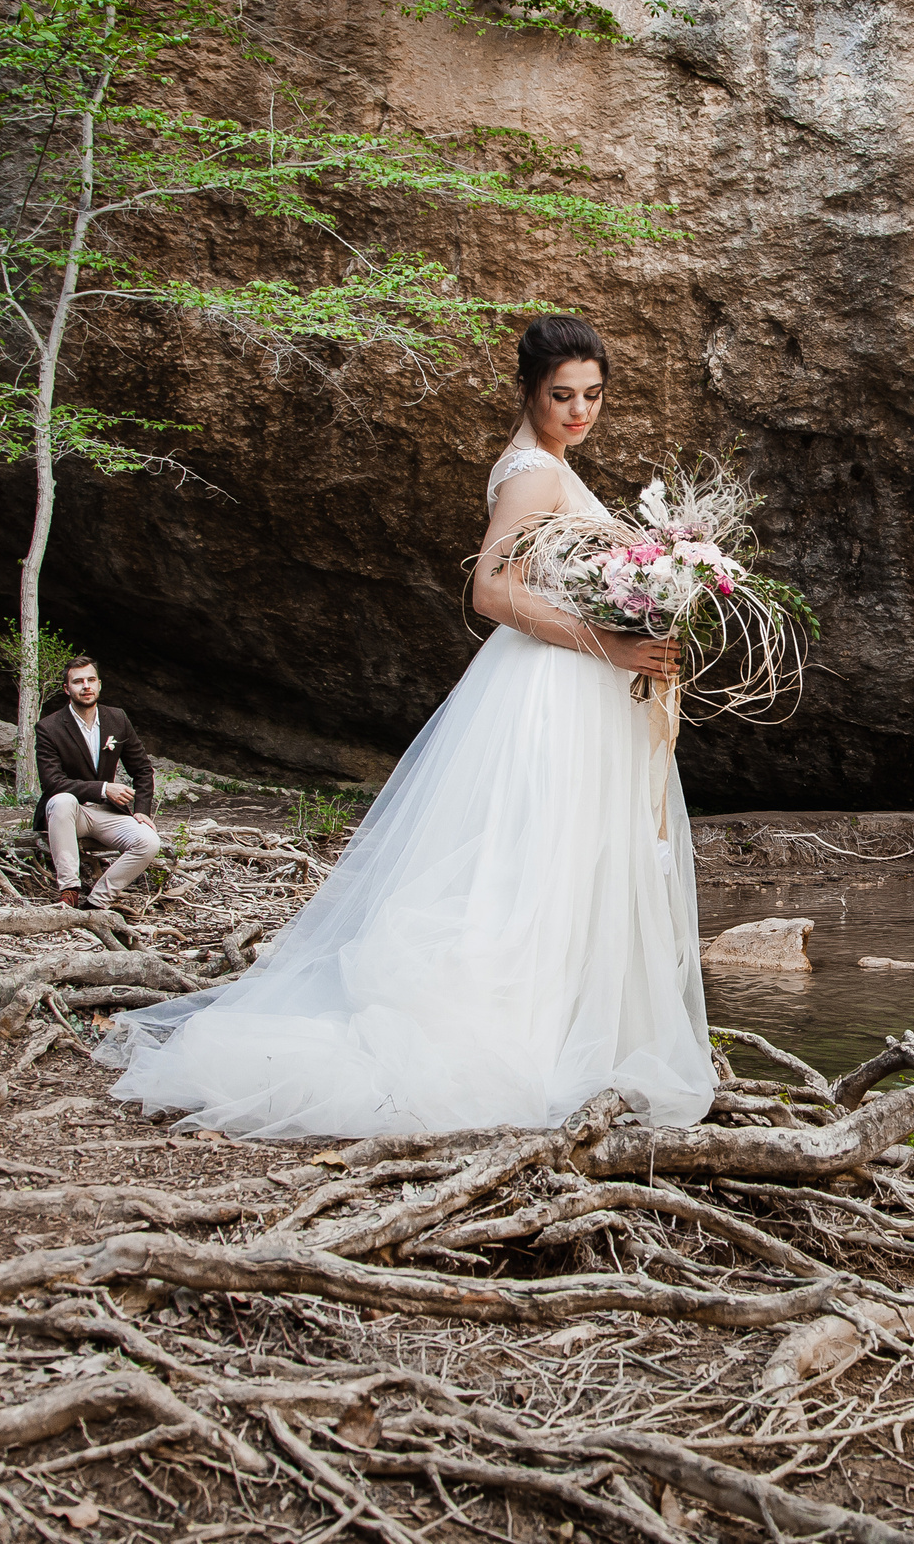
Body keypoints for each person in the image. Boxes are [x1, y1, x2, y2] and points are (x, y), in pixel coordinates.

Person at [96, 315, 715, 1137]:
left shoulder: (552, 466)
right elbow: (491, 594)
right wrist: (615, 642)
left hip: (575, 681)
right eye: (561, 395)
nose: (578, 411)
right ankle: (512, 1036)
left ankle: (567, 1024)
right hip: (552, 685)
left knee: (555, 857)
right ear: (528, 390)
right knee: (535, 857)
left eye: (592, 395)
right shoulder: (532, 473)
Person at [35, 656, 162, 909]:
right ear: (66, 689)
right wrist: (105, 789)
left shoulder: (117, 719)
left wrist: (141, 810)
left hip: (106, 814)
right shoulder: (49, 728)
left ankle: (96, 902)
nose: (86, 686)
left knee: (149, 842)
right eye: (78, 681)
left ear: (100, 684)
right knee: (61, 800)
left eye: (91, 680)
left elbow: (142, 770)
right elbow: (52, 782)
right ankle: (69, 890)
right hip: (70, 814)